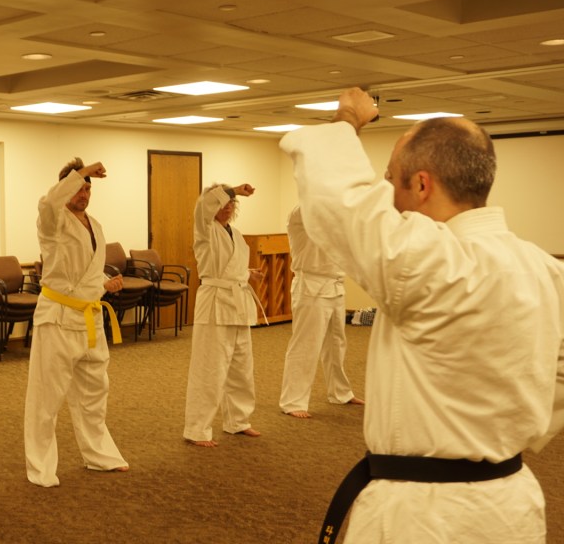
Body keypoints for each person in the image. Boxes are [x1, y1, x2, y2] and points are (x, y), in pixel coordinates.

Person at [280, 87, 564, 544]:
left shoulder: (428, 260)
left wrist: (347, 118)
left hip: (425, 516)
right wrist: (504, 424)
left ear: (422, 185)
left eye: (391, 179)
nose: (388, 192)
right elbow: (559, 373)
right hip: (513, 503)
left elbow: (340, 203)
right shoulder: (546, 269)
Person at [24, 157, 128, 487]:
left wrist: (105, 284)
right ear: (65, 187)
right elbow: (48, 202)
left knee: (95, 391)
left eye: (87, 189)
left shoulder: (94, 225)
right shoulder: (52, 220)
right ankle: (41, 468)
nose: (83, 194)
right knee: (47, 397)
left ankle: (99, 455)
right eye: (78, 187)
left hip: (90, 317)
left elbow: (86, 271)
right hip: (57, 317)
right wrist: (81, 171)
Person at [183, 183, 265, 447]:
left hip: (238, 304)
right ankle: (197, 428)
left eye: (231, 203)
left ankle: (238, 420)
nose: (227, 207)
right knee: (210, 368)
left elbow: (230, 266)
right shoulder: (204, 229)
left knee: (241, 366)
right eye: (222, 202)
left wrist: (247, 274)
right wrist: (233, 189)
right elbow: (203, 207)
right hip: (215, 303)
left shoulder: (236, 234)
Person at [278, 205, 363, 419]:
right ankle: (292, 401)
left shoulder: (335, 217)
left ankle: (340, 392)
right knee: (306, 345)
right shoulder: (299, 213)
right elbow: (315, 208)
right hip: (311, 286)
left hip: (335, 285)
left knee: (336, 344)